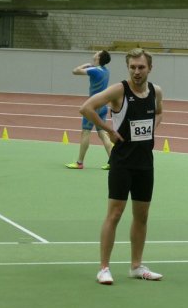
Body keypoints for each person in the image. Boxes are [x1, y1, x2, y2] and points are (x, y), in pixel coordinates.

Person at [79, 48, 164, 285]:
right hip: (122, 162)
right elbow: (86, 108)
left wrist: (151, 129)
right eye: (132, 67)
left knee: (142, 215)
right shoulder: (120, 90)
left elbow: (159, 112)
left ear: (150, 68)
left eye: (141, 67)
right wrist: (109, 129)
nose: (137, 72)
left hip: (145, 162)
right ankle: (104, 268)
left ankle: (136, 266)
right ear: (128, 68)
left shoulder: (156, 91)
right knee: (115, 214)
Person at [66, 50, 114, 170]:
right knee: (102, 133)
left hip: (92, 107)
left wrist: (85, 65)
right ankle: (113, 162)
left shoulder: (94, 70)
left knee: (86, 132)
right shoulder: (106, 71)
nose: (96, 53)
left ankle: (79, 163)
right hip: (103, 105)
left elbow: (75, 71)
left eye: (98, 52)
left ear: (99, 57)